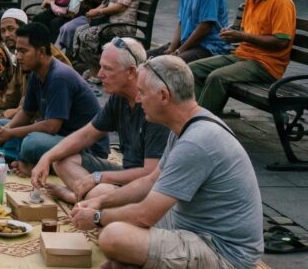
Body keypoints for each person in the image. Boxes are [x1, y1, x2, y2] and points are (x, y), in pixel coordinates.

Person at [70, 56, 263, 269]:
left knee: (113, 237)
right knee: (100, 194)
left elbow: (145, 215)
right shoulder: (184, 126)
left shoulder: (196, 142)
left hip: (222, 252)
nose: (139, 99)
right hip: (188, 226)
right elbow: (149, 181)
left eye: (142, 92)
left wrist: (97, 216)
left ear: (163, 96)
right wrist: (101, 203)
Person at [31, 38, 169, 204]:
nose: (99, 74)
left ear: (131, 72)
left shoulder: (153, 106)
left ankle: (76, 197)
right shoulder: (118, 98)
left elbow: (150, 175)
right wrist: (46, 158)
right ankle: (91, 197)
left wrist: (98, 177)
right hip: (126, 173)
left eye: (107, 69)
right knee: (62, 160)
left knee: (102, 190)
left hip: (145, 187)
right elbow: (86, 135)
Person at [189, 0, 297, 115]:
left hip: (266, 64)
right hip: (244, 55)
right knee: (193, 69)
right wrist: (232, 32)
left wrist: (242, 36)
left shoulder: (281, 1)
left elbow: (281, 42)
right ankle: (202, 114)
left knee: (217, 77)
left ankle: (201, 123)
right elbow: (247, 31)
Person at [0, 23, 107, 172]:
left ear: (41, 52)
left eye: (23, 51)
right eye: (17, 51)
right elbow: (27, 113)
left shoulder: (59, 77)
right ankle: (21, 160)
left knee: (31, 142)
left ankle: (27, 161)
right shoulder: (35, 73)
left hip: (86, 147)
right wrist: (5, 129)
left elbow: (51, 127)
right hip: (59, 138)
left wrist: (11, 133)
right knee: (2, 123)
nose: (18, 56)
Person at [72, 0, 141, 77]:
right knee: (79, 31)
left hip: (122, 24)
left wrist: (98, 11)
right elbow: (106, 1)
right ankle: (94, 68)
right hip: (109, 22)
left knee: (87, 35)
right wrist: (93, 12)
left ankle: (100, 70)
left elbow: (121, 6)